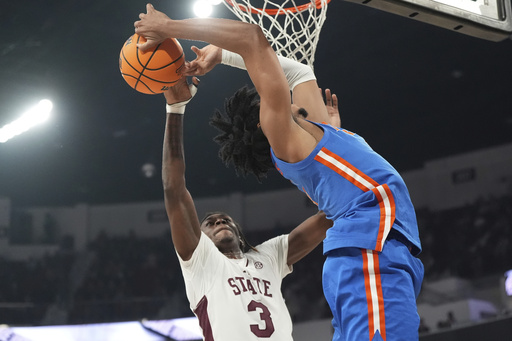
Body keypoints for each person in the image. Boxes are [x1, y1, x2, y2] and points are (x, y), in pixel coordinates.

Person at [135, 4, 424, 340]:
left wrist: (224, 57)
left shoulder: (316, 130)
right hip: (371, 248)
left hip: (385, 248)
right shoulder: (283, 134)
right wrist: (170, 26)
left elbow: (300, 72)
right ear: (264, 121)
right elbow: (252, 38)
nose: (272, 86)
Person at [160, 74, 333, 340]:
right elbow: (174, 188)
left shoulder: (269, 256)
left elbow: (328, 217)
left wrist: (331, 142)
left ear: (239, 234)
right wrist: (175, 108)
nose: (220, 223)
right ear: (199, 238)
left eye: (225, 220)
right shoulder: (202, 262)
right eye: (211, 223)